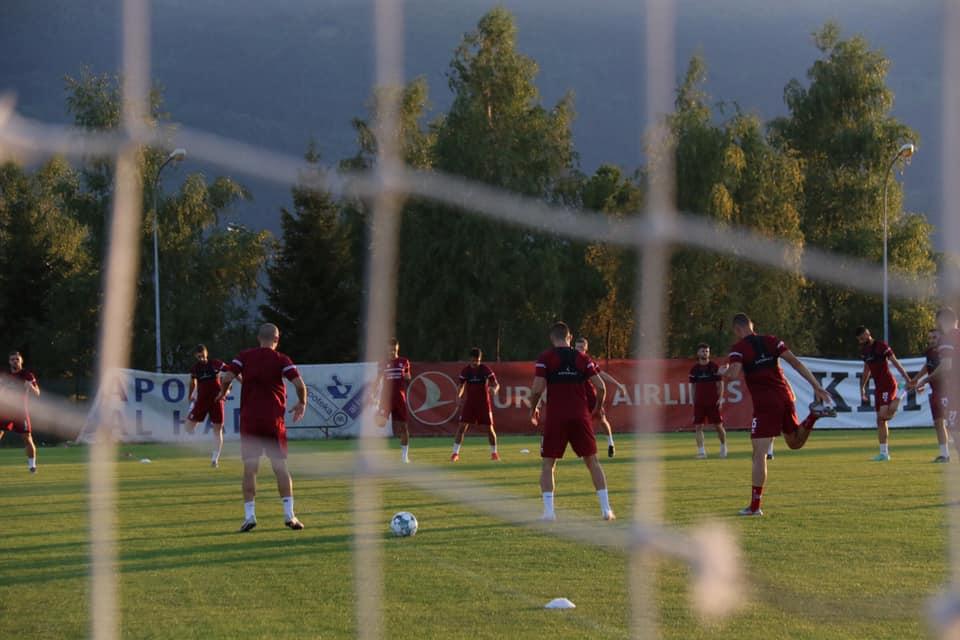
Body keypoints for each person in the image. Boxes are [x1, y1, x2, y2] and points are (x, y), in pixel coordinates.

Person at [722, 313, 835, 516]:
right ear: (752, 325)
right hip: (785, 396)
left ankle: (755, 507)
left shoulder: (738, 348)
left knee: (759, 454)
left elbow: (733, 373)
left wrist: (721, 372)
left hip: (766, 403)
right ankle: (813, 416)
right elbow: (796, 363)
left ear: (737, 330)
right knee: (794, 442)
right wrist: (817, 387)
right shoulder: (772, 341)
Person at [218, 323, 307, 532]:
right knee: (280, 468)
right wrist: (302, 403)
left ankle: (249, 516)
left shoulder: (245, 356)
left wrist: (223, 392)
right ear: (277, 339)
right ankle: (289, 516)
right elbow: (300, 384)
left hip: (250, 420)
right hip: (273, 421)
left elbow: (227, 376)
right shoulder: (281, 359)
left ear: (259, 338)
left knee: (250, 469)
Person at [529, 321, 614, 521]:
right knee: (592, 462)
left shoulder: (546, 358)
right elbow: (601, 387)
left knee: (548, 464)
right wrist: (596, 407)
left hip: (556, 417)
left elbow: (536, 389)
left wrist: (532, 410)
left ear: (552, 338)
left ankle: (549, 512)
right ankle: (606, 510)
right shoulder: (582, 358)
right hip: (580, 416)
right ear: (569, 337)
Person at [856, 326, 911, 461]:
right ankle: (884, 453)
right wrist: (862, 387)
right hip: (878, 387)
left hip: (888, 384)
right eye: (860, 339)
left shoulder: (881, 346)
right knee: (880, 421)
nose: (862, 339)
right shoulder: (864, 351)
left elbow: (895, 362)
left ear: (868, 333)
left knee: (884, 415)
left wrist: (907, 379)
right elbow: (866, 370)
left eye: (863, 336)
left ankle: (902, 392)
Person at [573, 336, 623, 458]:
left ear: (586, 349)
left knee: (602, 420)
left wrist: (617, 384)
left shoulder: (588, 361)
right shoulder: (569, 360)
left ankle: (610, 443)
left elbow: (601, 374)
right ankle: (584, 449)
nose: (579, 350)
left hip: (591, 396)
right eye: (577, 347)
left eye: (582, 348)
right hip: (576, 396)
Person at [451, 347, 500, 462]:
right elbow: (461, 385)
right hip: (470, 404)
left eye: (476, 360)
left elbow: (496, 384)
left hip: (484, 404)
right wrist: (458, 396)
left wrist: (494, 390)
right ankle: (455, 453)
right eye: (472, 360)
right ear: (469, 359)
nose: (474, 363)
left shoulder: (485, 370)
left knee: (489, 429)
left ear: (480, 359)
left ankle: (494, 453)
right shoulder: (466, 371)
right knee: (461, 428)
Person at [911, 328, 950, 462]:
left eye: (935, 337)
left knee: (954, 423)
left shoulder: (946, 351)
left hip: (948, 390)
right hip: (935, 392)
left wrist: (924, 380)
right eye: (930, 338)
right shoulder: (929, 352)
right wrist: (916, 379)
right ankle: (944, 455)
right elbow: (928, 366)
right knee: (938, 423)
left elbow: (942, 369)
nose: (932, 340)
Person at [185, 344, 226, 468]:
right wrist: (190, 395)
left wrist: (226, 389)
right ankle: (200, 444)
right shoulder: (195, 368)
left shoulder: (215, 363)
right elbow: (192, 382)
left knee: (217, 429)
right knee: (188, 428)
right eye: (198, 357)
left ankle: (215, 459)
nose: (201, 359)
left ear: (206, 353)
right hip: (202, 400)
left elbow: (231, 371)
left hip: (216, 400)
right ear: (195, 356)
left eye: (202, 356)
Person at [0, 351, 40, 472]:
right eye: (12, 359)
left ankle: (32, 466)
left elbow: (37, 393)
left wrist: (31, 387)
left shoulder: (27, 375)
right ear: (9, 362)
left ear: (21, 360)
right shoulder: (4, 374)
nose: (15, 361)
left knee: (27, 438)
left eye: (17, 359)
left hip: (20, 412)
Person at [375, 338, 412, 463]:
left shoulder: (404, 361)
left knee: (404, 428)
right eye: (390, 349)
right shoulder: (382, 363)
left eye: (394, 349)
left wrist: (407, 377)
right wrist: (374, 393)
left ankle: (404, 457)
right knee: (380, 423)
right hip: (386, 399)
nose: (391, 351)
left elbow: (408, 377)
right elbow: (378, 379)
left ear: (397, 348)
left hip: (400, 399)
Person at [688, 342, 727, 459]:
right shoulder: (694, 369)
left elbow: (720, 384)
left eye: (707, 351)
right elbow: (693, 386)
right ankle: (701, 452)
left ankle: (723, 446)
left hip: (713, 402)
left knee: (718, 426)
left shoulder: (714, 366)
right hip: (699, 402)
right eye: (703, 351)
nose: (705, 353)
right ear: (698, 353)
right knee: (698, 427)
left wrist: (720, 398)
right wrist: (693, 400)